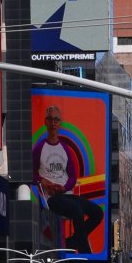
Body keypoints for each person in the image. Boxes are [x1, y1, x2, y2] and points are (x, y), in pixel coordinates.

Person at [30, 105, 104, 254]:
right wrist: (43, 181)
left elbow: (72, 176)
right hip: (51, 198)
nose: (53, 123)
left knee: (97, 212)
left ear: (60, 123)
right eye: (50, 119)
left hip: (66, 193)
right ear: (45, 122)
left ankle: (72, 241)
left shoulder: (64, 148)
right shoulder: (39, 148)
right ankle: (84, 251)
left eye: (56, 120)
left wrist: (64, 187)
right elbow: (31, 174)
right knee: (77, 209)